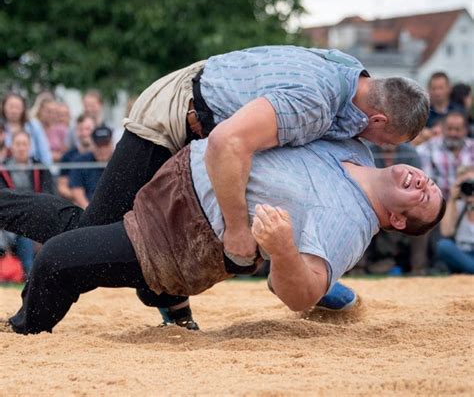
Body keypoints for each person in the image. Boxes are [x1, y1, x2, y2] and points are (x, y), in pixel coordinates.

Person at [0, 46, 429, 327]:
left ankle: (175, 304)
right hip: (175, 116)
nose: (377, 150)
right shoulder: (314, 104)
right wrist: (240, 232)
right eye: (387, 142)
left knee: (145, 230)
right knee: (89, 234)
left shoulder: (350, 72)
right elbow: (229, 143)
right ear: (378, 121)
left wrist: (312, 262)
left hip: (202, 109)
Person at [0, 135, 446, 335]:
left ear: (400, 221)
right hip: (173, 169)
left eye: (427, 198)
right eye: (430, 181)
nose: (426, 183)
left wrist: (285, 250)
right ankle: (169, 303)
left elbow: (295, 291)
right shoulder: (354, 146)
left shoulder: (349, 226)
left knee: (60, 255)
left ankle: (22, 329)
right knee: (81, 231)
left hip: (179, 235)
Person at [356, 142, 428, 274]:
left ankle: (418, 269)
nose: (388, 141)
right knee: (361, 215)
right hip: (374, 205)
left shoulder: (410, 154)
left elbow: (420, 187)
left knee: (421, 219)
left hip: (405, 207)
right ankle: (358, 268)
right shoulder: (367, 151)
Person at [0, 131, 55, 275]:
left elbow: (48, 196)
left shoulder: (41, 169)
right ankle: (26, 273)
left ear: (30, 147)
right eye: (18, 144)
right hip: (8, 220)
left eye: (24, 144)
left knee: (26, 232)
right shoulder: (2, 169)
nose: (21, 148)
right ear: (11, 146)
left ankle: (30, 273)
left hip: (35, 217)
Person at [417, 111, 474, 199]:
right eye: (449, 129)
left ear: (466, 130)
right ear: (442, 128)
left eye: (458, 129)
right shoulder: (427, 149)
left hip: (469, 205)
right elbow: (426, 183)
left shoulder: (472, 148)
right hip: (439, 205)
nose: (453, 133)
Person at [436, 166, 474, 274]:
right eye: (466, 184)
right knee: (443, 245)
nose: (470, 188)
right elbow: (446, 232)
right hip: (462, 253)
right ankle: (469, 269)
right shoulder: (457, 205)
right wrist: (452, 199)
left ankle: (469, 270)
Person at [0, 93, 52, 165]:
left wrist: (47, 171)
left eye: (17, 107)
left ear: (23, 108)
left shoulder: (34, 125)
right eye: (11, 106)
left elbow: (44, 152)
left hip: (31, 170)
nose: (14, 111)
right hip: (3, 171)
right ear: (3, 107)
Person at [69, 126, 114, 209]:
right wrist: (89, 211)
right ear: (92, 144)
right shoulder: (81, 161)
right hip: (88, 208)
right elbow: (77, 189)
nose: (103, 149)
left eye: (106, 145)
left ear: (111, 144)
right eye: (99, 145)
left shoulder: (120, 161)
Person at [57, 115, 96, 201]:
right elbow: (62, 187)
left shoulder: (101, 156)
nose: (84, 133)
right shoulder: (68, 156)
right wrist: (79, 198)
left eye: (88, 129)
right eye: (80, 129)